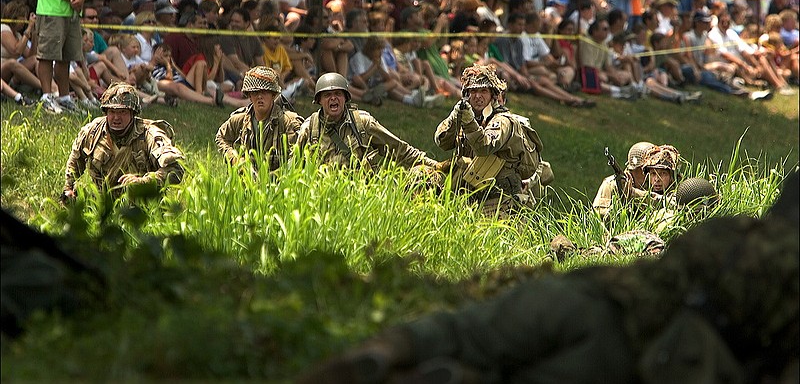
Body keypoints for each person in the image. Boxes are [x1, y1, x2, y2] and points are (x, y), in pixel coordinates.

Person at [296, 168, 799, 384]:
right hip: (643, 348)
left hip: (592, 291)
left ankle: (379, 353)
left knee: (459, 330)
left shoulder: (729, 228)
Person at [433, 64, 551, 215]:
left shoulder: (503, 121)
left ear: (493, 95)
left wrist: (468, 123)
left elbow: (485, 146)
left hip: (500, 203)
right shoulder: (468, 116)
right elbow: (442, 142)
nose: (477, 96)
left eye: (483, 91)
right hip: (469, 199)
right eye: (473, 91)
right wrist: (454, 118)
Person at [62, 82, 185, 201]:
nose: (116, 117)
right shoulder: (93, 132)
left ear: (133, 114)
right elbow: (75, 160)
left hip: (143, 204)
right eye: (112, 112)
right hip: (102, 204)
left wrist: (144, 182)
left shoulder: (150, 134)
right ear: (106, 112)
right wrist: (68, 188)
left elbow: (176, 169)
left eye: (122, 112)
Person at [295, 73, 438, 171]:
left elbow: (399, 149)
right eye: (327, 95)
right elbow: (292, 167)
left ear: (345, 98)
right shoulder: (309, 127)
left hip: (359, 195)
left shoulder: (362, 122)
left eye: (338, 94)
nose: (333, 98)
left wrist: (435, 166)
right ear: (319, 100)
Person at [215, 66, 303, 172]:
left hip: (278, 182)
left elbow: (295, 159)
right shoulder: (241, 119)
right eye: (255, 92)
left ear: (273, 95)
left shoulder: (289, 122)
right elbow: (221, 137)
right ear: (249, 96)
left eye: (265, 92)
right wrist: (235, 159)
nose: (260, 96)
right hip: (247, 182)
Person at [592, 141, 655, 217]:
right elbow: (598, 215)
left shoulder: (656, 185)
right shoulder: (611, 184)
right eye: (647, 169)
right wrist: (619, 206)